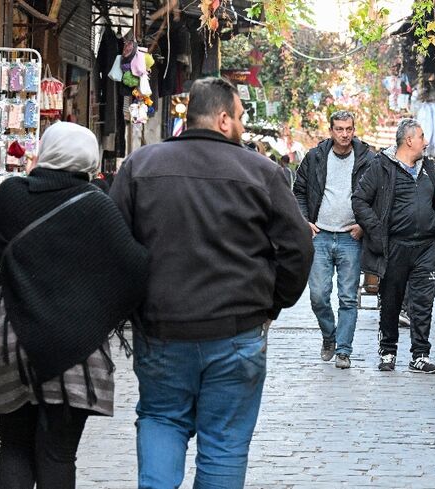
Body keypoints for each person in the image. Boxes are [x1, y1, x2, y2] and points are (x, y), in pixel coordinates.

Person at [110, 77, 314, 488]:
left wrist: (134, 307)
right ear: (223, 119)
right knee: (224, 443)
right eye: (239, 117)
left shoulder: (140, 166)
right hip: (236, 331)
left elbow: (112, 246)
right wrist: (272, 304)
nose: (242, 125)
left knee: (161, 420)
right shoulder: (262, 172)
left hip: (162, 329)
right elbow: (298, 249)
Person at [0, 122, 148, 489]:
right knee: (57, 454)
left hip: (10, 344)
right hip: (75, 349)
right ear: (88, 159)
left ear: (46, 150)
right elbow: (136, 269)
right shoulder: (97, 206)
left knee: (14, 448)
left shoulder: (11, 194)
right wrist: (98, 305)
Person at [352, 118, 435, 373]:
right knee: (391, 300)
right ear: (409, 140)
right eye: (421, 137)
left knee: (423, 302)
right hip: (394, 247)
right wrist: (377, 232)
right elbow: (360, 200)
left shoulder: (427, 168)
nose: (425, 142)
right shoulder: (381, 167)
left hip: (425, 248)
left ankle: (420, 355)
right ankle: (388, 351)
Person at [294, 110, 373, 369]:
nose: (344, 134)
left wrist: (363, 225)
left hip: (351, 237)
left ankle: (343, 349)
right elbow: (299, 191)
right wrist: (305, 220)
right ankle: (329, 336)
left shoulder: (367, 159)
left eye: (349, 129)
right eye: (339, 129)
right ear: (331, 130)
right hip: (321, 235)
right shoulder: (316, 156)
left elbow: (379, 196)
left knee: (349, 297)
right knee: (318, 295)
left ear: (354, 129)